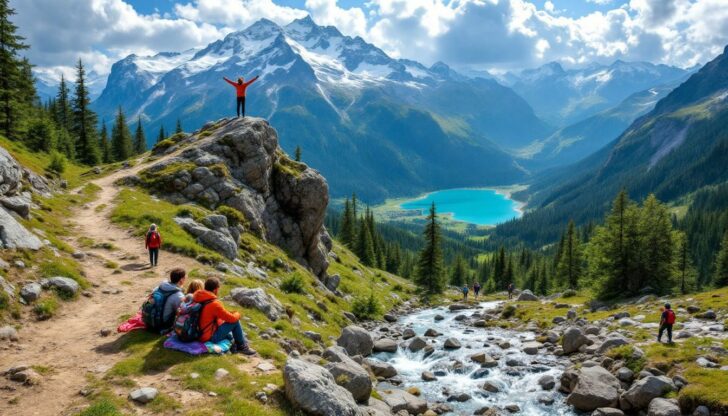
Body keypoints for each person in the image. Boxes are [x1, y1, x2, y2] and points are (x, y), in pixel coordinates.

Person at [193, 277, 256, 355]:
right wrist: (237, 313)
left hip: (197, 333)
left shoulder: (197, 297)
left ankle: (235, 344)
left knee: (229, 333)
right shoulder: (214, 304)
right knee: (235, 321)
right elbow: (232, 319)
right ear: (215, 289)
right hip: (207, 337)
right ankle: (241, 347)